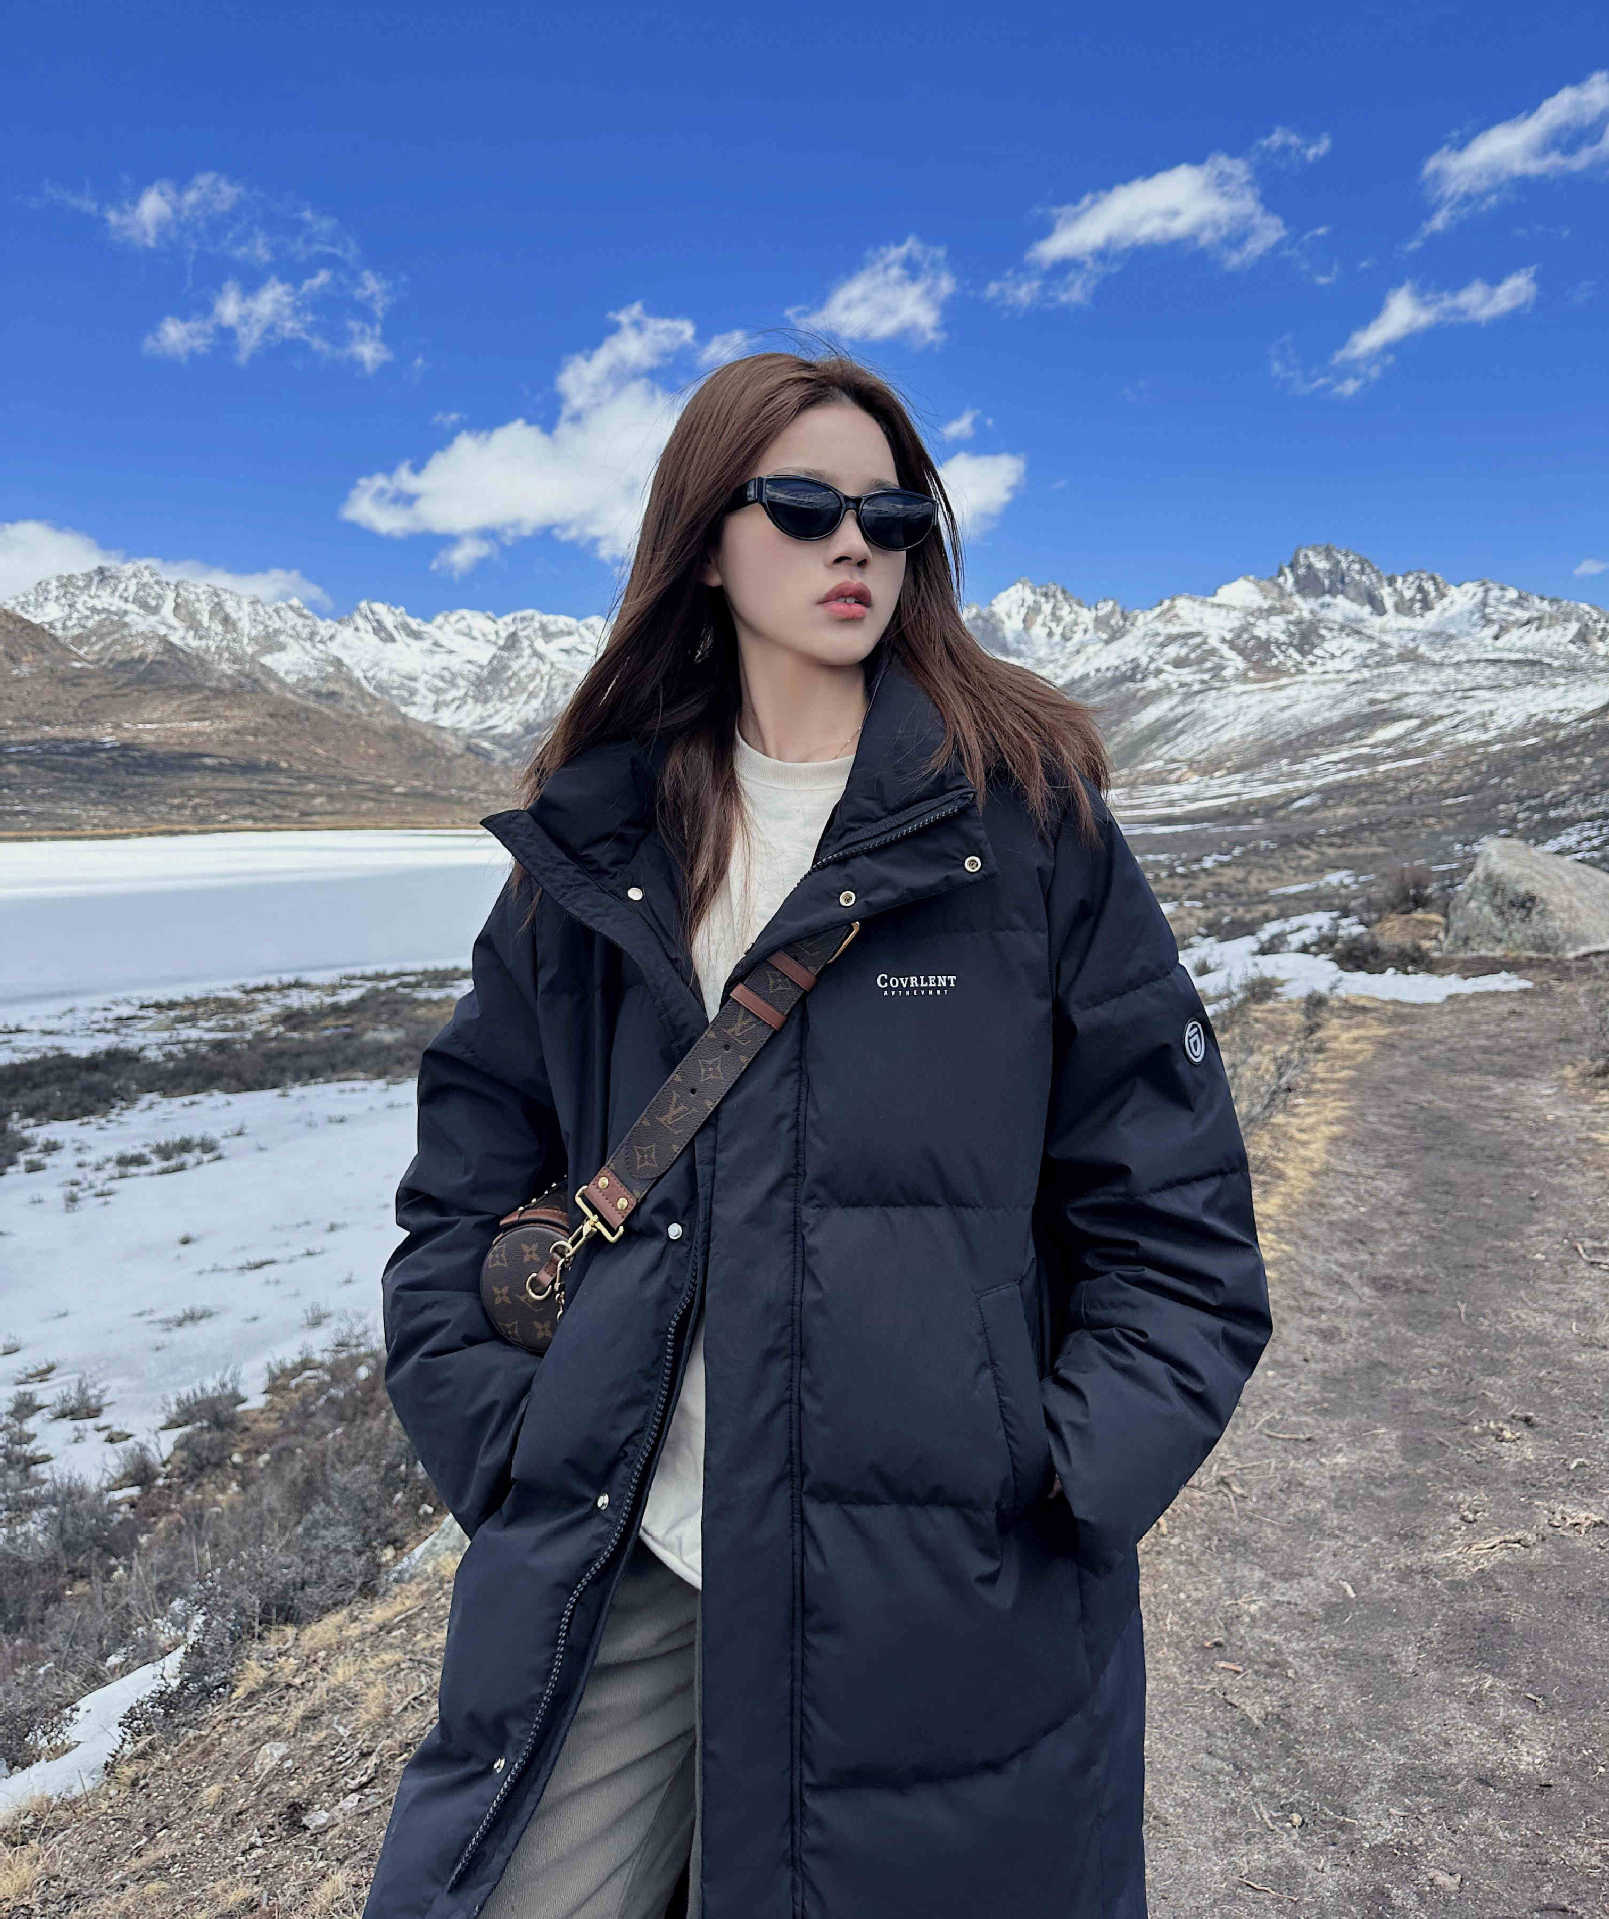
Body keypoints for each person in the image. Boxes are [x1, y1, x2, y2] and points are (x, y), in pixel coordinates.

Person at [363, 346, 1272, 1919]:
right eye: (801, 506)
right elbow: (461, 1188)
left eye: (889, 514)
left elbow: (1176, 1224)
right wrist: (510, 1450)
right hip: (625, 1551)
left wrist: (1051, 1484)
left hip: (938, 1592)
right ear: (704, 540)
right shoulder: (596, 843)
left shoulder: (1027, 828)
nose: (854, 543)